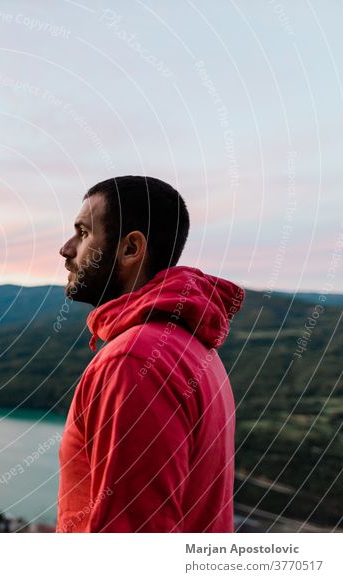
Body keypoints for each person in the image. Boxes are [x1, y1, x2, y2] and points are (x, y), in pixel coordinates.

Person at [56, 175, 244, 532]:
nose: (66, 249)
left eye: (83, 233)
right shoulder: (195, 348)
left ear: (130, 249)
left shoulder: (134, 362)